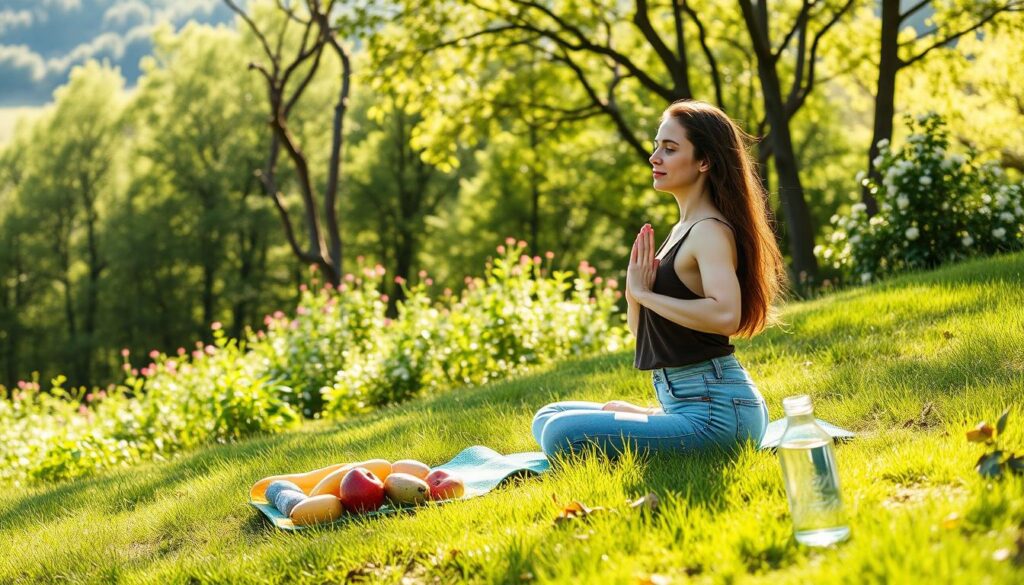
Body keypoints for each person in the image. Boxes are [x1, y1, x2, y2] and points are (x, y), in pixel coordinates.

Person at [532, 99, 787, 458]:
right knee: (549, 416)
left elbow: (725, 315)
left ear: (704, 161)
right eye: (656, 146)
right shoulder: (681, 231)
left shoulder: (709, 232)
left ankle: (656, 420)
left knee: (561, 434)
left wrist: (646, 295)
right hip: (684, 404)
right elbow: (645, 335)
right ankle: (653, 417)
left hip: (717, 415)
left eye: (669, 148)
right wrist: (632, 294)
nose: (654, 157)